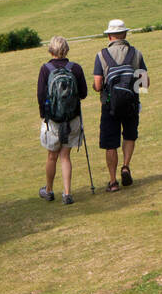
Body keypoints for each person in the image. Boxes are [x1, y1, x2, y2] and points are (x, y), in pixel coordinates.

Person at [93, 19, 150, 193]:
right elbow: (145, 83)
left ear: (109, 36)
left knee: (111, 143)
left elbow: (97, 84)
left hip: (109, 105)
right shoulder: (136, 54)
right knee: (129, 135)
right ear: (125, 34)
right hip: (131, 103)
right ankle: (125, 166)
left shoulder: (101, 55)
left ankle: (112, 181)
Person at [36, 35, 87, 205]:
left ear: (51, 50)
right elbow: (84, 93)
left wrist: (44, 115)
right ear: (66, 50)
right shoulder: (76, 68)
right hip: (72, 118)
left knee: (52, 156)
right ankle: (67, 193)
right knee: (65, 156)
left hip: (54, 120)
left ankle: (49, 190)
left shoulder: (45, 69)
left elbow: (41, 95)